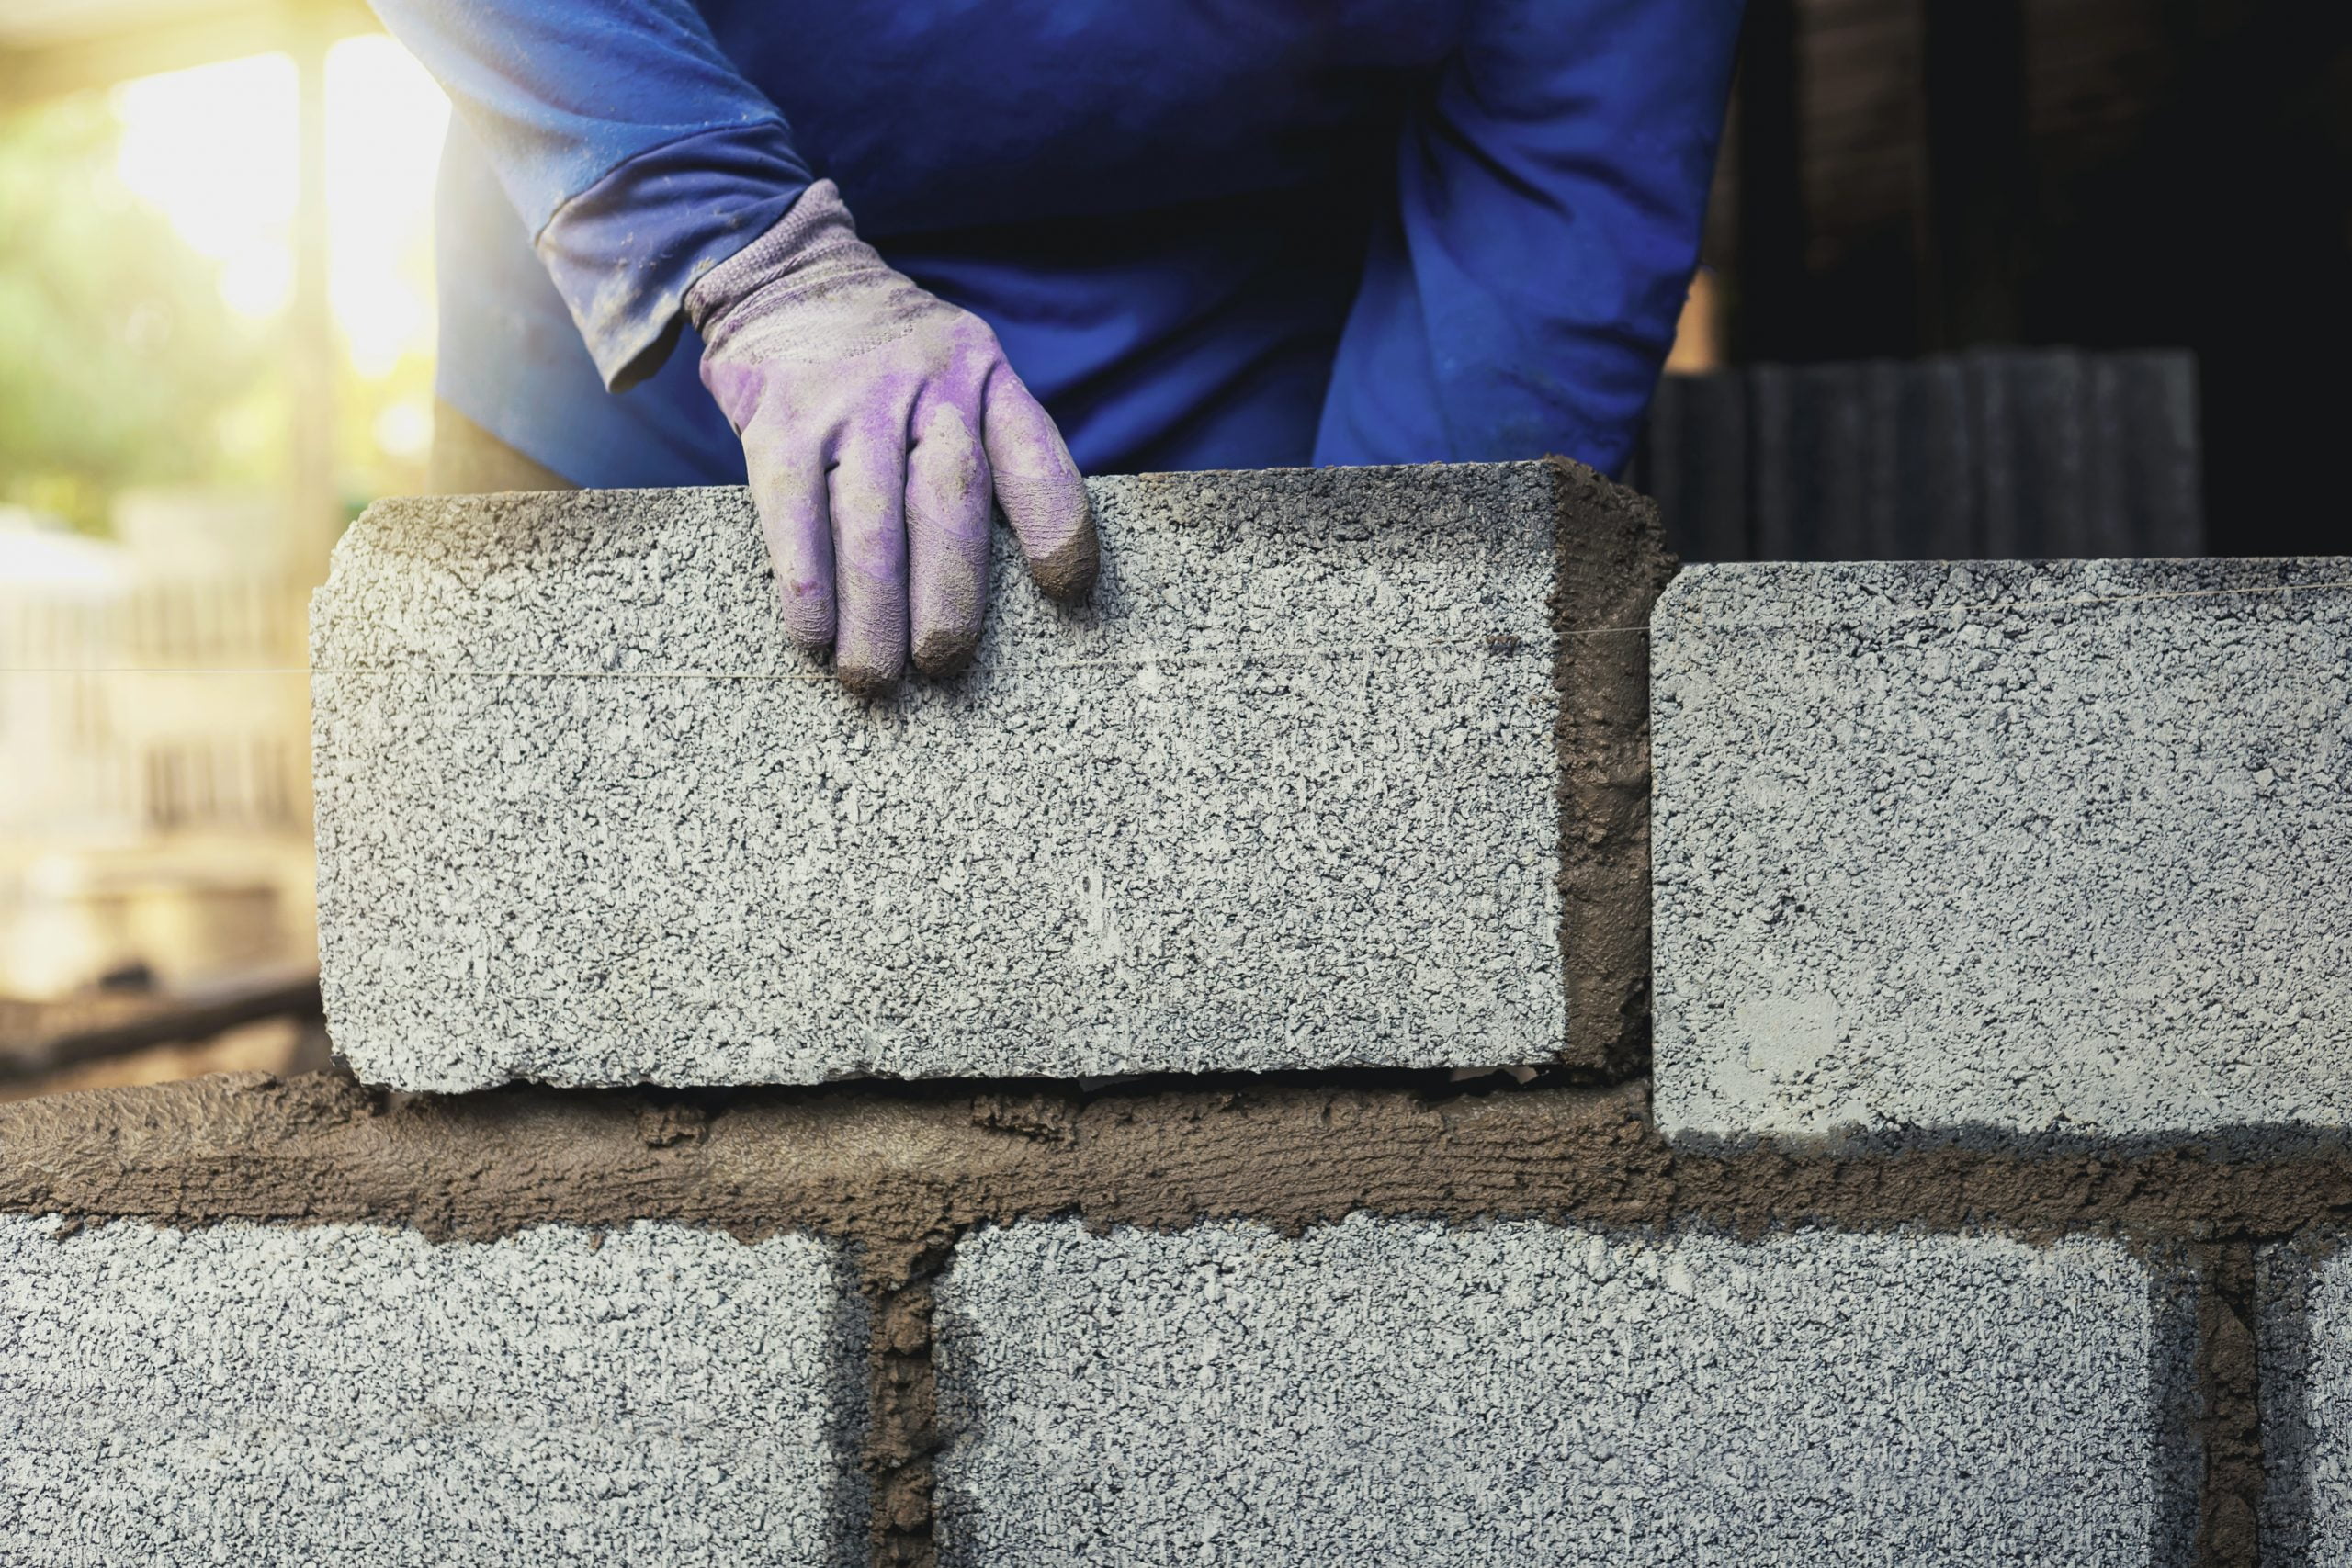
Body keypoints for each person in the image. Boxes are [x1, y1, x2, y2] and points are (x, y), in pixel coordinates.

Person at [374, 1, 1745, 691]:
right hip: (670, 341)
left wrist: (1396, 615)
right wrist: (748, 258)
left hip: (1244, 361)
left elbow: (1564, 141)